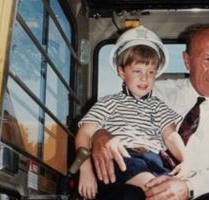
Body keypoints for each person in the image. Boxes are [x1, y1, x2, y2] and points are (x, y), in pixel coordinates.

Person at [90, 23, 209, 200]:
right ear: (187, 61)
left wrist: (188, 187)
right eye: (208, 59)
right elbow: (113, 116)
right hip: (145, 182)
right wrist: (99, 134)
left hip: (199, 192)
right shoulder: (154, 93)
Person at [75, 26, 190, 199]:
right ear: (122, 72)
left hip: (153, 160)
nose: (145, 78)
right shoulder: (109, 103)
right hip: (121, 158)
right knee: (126, 167)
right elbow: (84, 133)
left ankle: (155, 187)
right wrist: (86, 170)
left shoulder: (159, 107)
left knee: (162, 180)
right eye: (137, 71)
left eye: (151, 72)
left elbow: (171, 136)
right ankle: (155, 188)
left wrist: (187, 161)